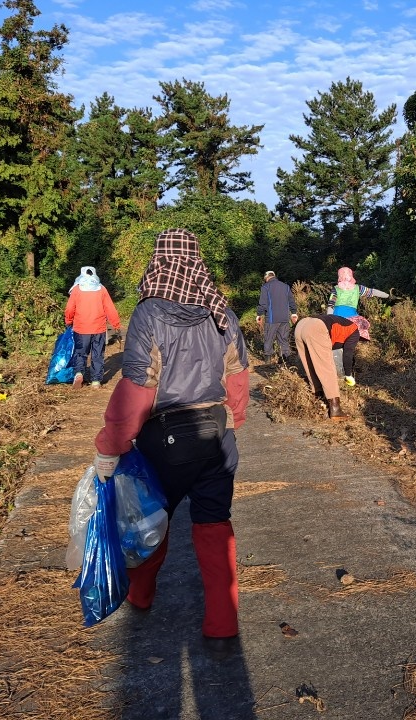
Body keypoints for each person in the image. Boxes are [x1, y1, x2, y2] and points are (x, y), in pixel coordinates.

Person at [92, 228, 250, 656]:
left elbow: (139, 385)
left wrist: (112, 444)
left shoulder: (149, 314)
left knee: (150, 523)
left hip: (166, 440)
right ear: (195, 259)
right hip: (218, 436)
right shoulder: (221, 311)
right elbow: (237, 377)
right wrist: (233, 419)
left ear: (159, 258)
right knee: (214, 523)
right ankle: (223, 620)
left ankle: (140, 596)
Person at [293, 314, 362, 421]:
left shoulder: (342, 323)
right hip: (316, 327)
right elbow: (347, 354)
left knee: (310, 364)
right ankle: (335, 409)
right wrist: (348, 374)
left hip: (301, 326)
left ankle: (318, 401)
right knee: (327, 367)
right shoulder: (355, 330)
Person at [64, 266, 122, 389]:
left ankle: (79, 373)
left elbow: (69, 308)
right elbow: (110, 308)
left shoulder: (77, 289)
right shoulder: (101, 289)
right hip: (99, 329)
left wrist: (68, 321)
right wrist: (116, 324)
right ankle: (96, 381)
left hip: (81, 328)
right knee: (97, 354)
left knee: (80, 353)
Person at [256, 271, 298, 364]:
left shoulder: (265, 287)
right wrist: (294, 313)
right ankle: (284, 360)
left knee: (268, 338)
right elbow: (291, 301)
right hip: (284, 318)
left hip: (271, 318)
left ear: (266, 278)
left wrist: (259, 314)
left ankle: (268, 361)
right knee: (283, 339)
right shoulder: (286, 287)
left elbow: (263, 303)